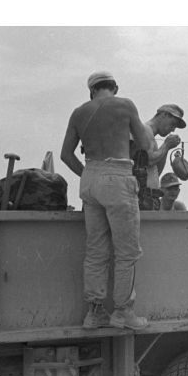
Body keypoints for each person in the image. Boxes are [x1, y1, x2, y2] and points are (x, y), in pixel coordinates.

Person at [60, 71, 150, 330]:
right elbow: (144, 143)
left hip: (90, 178)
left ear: (91, 91)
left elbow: (66, 155)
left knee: (96, 251)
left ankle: (95, 313)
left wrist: (89, 174)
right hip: (118, 176)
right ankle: (123, 312)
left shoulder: (78, 112)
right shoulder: (125, 105)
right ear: (115, 87)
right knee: (127, 252)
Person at [131, 104, 186, 210]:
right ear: (164, 115)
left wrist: (166, 149)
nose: (173, 129)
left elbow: (155, 171)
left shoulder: (150, 135)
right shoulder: (145, 130)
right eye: (173, 124)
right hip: (142, 198)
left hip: (148, 198)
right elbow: (149, 160)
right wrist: (166, 145)